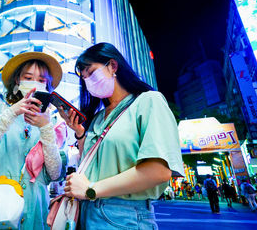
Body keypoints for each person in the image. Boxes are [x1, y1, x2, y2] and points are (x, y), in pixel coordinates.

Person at [60, 43, 184, 229]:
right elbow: (93, 164)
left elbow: (159, 170)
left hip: (124, 217)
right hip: (87, 213)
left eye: (91, 72)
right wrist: (79, 132)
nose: (88, 81)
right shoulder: (99, 117)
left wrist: (91, 189)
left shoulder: (149, 101)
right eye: (84, 78)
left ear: (113, 66)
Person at [0, 52, 67, 229]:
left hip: (35, 210)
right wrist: (9, 114)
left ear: (47, 86)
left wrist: (45, 128)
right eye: (28, 77)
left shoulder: (53, 124)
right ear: (17, 80)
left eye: (41, 80)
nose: (35, 83)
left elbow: (55, 174)